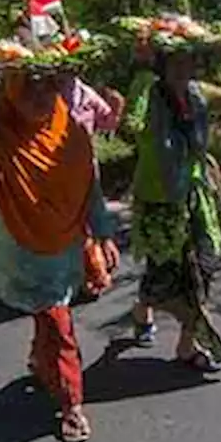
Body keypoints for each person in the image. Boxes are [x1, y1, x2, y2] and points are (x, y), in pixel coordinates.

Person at [0, 65, 120, 442]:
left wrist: (103, 231)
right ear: (11, 90)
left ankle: (38, 359)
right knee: (58, 322)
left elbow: (89, 186)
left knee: (50, 313)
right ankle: (71, 403)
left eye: (49, 86)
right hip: (21, 245)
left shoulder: (72, 132)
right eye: (29, 87)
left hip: (65, 243)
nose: (41, 97)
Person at [128, 49, 221, 370]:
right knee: (162, 275)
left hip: (196, 197)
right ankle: (143, 307)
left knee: (204, 267)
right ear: (162, 65)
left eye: (188, 61)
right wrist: (143, 75)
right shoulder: (149, 93)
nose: (182, 69)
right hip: (160, 201)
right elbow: (131, 122)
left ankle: (188, 346)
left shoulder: (201, 94)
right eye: (174, 62)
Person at [60, 73, 125, 299]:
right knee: (67, 223)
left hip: (86, 167)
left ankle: (95, 269)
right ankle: (78, 275)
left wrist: (116, 108)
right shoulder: (47, 95)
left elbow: (107, 121)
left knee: (94, 217)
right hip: (55, 171)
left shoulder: (86, 94)